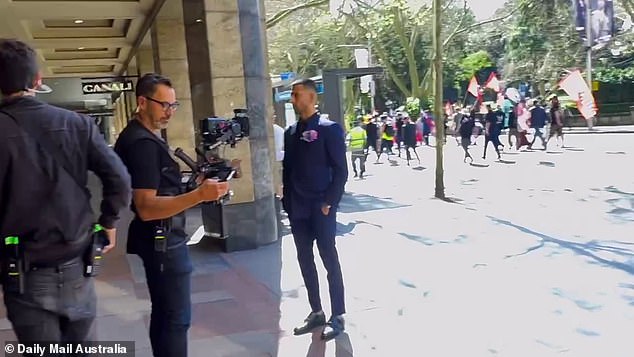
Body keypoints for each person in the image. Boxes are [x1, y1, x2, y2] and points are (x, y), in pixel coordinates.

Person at [0, 39, 131, 344]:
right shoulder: (78, 124)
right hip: (78, 262)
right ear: (38, 81)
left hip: (22, 269)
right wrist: (108, 223)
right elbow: (120, 180)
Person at [114, 73, 229, 357]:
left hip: (161, 239)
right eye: (164, 105)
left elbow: (162, 189)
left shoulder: (143, 137)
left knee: (166, 315)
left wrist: (194, 185)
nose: (169, 112)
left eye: (173, 105)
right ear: (142, 102)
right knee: (175, 320)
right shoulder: (141, 144)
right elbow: (146, 205)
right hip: (161, 241)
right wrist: (199, 195)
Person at [283, 78, 348, 341]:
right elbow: (287, 171)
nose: (293, 99)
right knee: (304, 260)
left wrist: (328, 202)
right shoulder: (290, 132)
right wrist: (286, 202)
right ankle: (316, 311)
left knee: (329, 259)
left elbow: (341, 171)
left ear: (311, 97)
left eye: (296, 94)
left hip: (321, 207)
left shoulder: (329, 129)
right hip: (297, 209)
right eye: (292, 94)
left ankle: (338, 315)